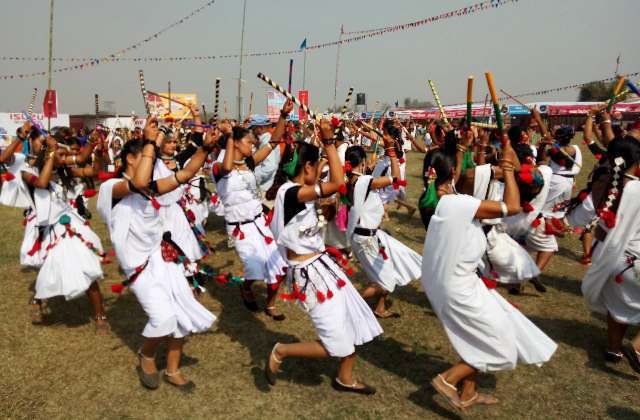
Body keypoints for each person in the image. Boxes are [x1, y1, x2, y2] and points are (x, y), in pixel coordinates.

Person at [420, 139, 556, 412]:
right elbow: (513, 207)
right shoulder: (457, 204)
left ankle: (468, 391)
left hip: (457, 280)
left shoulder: (439, 200)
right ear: (452, 174)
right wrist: (507, 170)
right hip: (458, 285)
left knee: (494, 326)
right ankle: (448, 380)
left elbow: (469, 175)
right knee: (500, 344)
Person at [97, 116, 216, 392]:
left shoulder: (150, 188)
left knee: (182, 311)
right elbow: (138, 181)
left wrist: (207, 149)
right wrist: (151, 141)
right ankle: (147, 354)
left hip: (164, 259)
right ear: (129, 159)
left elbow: (184, 176)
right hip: (139, 268)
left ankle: (173, 369)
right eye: (147, 159)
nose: (153, 166)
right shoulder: (111, 189)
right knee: (163, 318)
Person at [265, 118, 382, 395]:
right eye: (318, 167)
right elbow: (340, 184)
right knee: (334, 342)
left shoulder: (295, 193)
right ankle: (281, 351)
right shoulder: (293, 192)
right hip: (310, 275)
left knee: (353, 318)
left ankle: (345, 377)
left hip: (321, 266)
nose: (321, 172)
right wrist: (330, 141)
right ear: (307, 167)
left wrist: (324, 213)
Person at [21, 130, 109, 333]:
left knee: (87, 265)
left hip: (72, 226)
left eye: (63, 154)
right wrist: (52, 154)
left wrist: (96, 147)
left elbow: (91, 168)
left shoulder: (65, 172)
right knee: (49, 267)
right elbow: (42, 184)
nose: (67, 158)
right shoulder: (29, 172)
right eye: (61, 155)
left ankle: (100, 316)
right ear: (49, 154)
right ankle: (37, 300)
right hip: (48, 230)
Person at [215, 105, 289, 320]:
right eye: (249, 141)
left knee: (278, 264)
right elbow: (228, 168)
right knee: (255, 265)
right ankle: (246, 287)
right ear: (236, 143)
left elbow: (273, 141)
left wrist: (282, 116)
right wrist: (228, 135)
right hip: (240, 227)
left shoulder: (247, 163)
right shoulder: (219, 168)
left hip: (259, 223)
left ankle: (271, 304)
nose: (254, 144)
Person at [581, 136, 640, 372]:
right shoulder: (635, 189)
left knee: (618, 306)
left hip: (611, 260)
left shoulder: (603, 184)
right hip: (635, 260)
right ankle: (636, 348)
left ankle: (613, 348)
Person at [345, 143, 422, 317]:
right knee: (386, 281)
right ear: (363, 161)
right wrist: (392, 153)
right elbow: (395, 178)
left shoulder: (351, 181)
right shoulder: (365, 181)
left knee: (391, 266)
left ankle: (380, 307)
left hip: (367, 235)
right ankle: (348, 308)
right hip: (366, 239)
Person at [249, 115, 281, 198]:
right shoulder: (264, 140)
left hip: (265, 188)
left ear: (260, 128)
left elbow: (270, 166)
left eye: (253, 128)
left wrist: (252, 178)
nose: (251, 131)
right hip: (266, 186)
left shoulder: (266, 141)